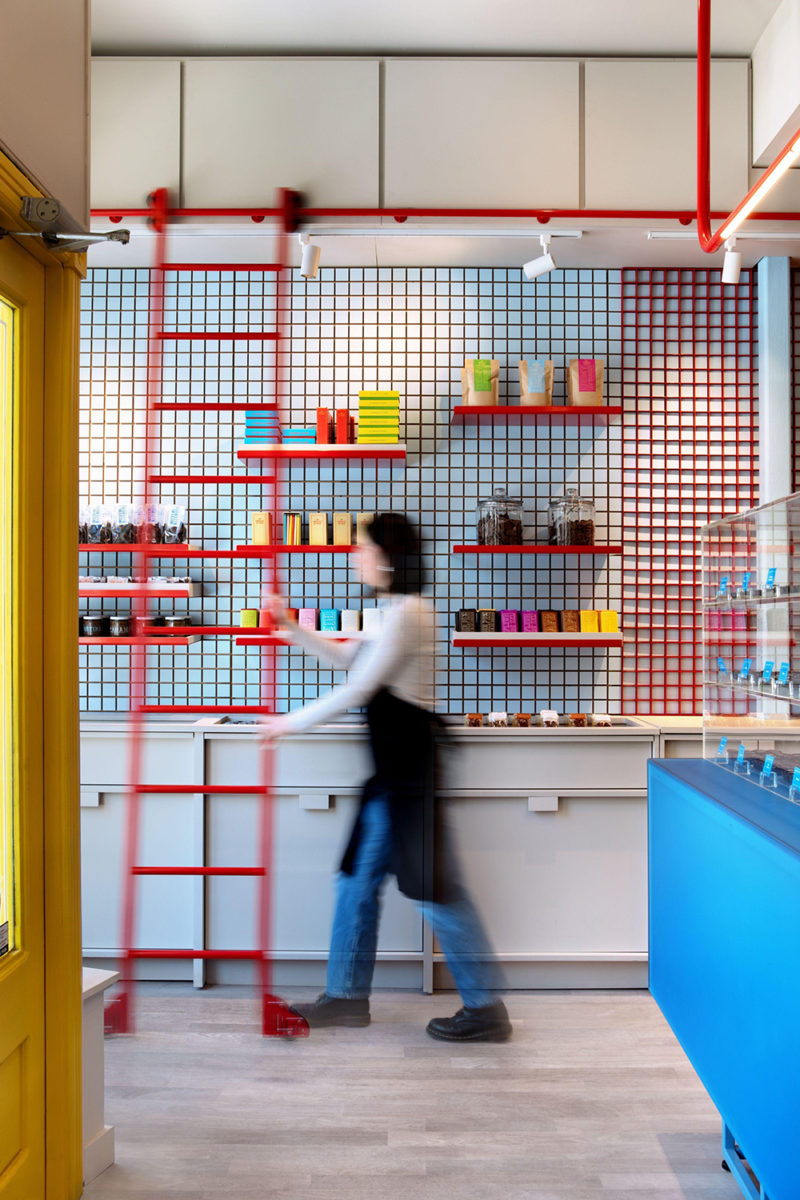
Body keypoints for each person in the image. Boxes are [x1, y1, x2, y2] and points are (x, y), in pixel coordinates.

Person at [262, 513, 511, 1042]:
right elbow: (346, 661)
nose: (356, 556)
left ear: (388, 556)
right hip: (388, 778)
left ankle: (487, 1009)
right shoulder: (390, 612)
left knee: (432, 889)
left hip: (411, 776)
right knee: (355, 880)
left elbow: (359, 688)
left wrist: (287, 723)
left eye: (363, 548)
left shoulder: (412, 614)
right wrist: (291, 626)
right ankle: (346, 998)